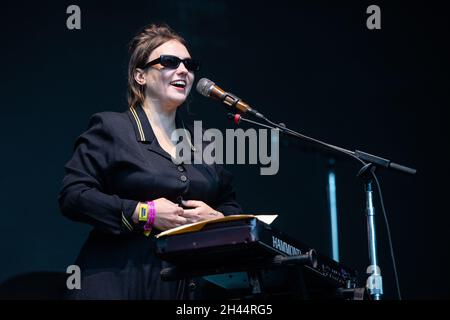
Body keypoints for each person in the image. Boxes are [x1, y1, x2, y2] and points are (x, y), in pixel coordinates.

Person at [58, 23, 242, 299]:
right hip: (118, 281)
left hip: (180, 286)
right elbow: (73, 196)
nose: (183, 70)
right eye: (169, 62)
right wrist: (146, 214)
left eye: (189, 65)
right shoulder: (111, 127)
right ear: (140, 75)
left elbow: (229, 203)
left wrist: (216, 219)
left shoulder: (204, 143)